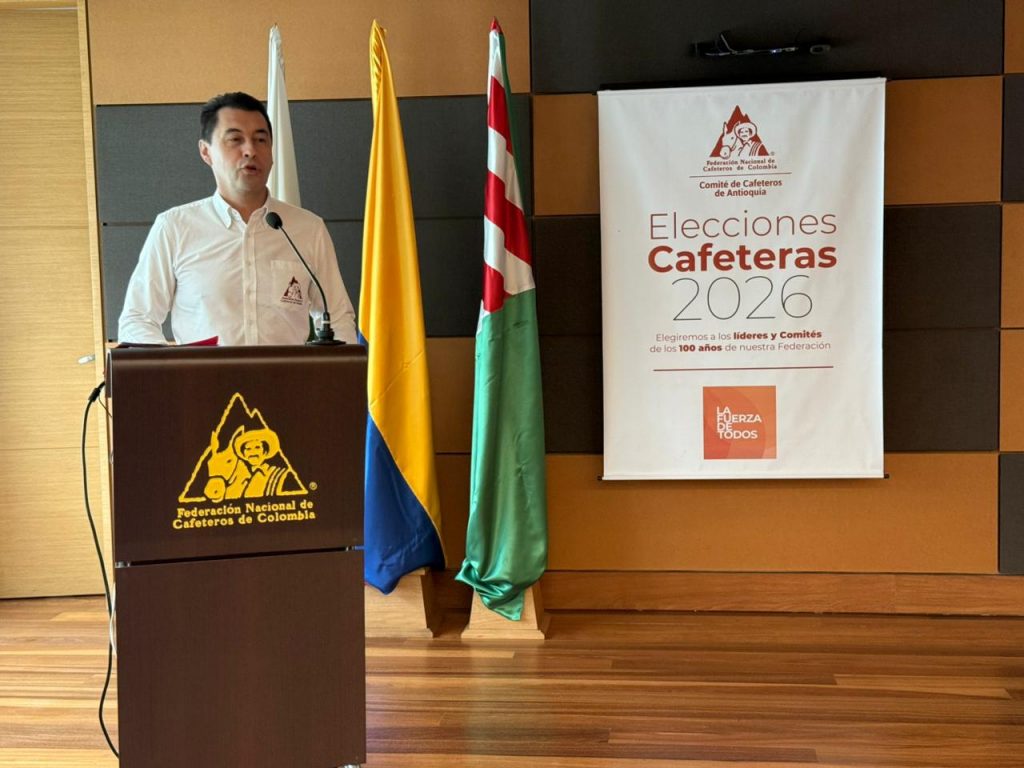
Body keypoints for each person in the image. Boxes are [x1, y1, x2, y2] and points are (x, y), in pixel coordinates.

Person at [117, 92, 356, 345]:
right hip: (203, 372)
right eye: (235, 139)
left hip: (286, 372)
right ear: (206, 152)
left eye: (261, 140)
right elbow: (138, 319)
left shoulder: (307, 228)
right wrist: (171, 367)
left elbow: (338, 318)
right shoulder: (175, 227)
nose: (250, 150)